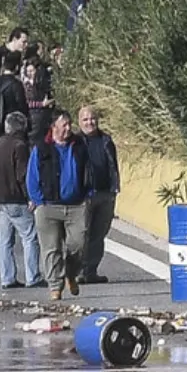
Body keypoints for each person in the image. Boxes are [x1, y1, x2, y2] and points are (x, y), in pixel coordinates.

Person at [26, 110, 93, 300]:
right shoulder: (42, 148)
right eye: (64, 125)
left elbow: (89, 171)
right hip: (48, 206)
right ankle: (55, 285)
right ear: (53, 127)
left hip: (76, 205)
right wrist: (39, 201)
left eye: (69, 124)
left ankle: (71, 273)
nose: (68, 128)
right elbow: (32, 177)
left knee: (79, 245)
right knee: (51, 249)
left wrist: (88, 194)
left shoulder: (79, 145)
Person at [0, 112, 41, 289]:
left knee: (4, 239)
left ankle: (7, 277)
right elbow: (22, 175)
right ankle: (33, 276)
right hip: (16, 199)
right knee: (30, 236)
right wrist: (30, 197)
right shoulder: (20, 146)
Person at [76, 105, 120, 284]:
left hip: (105, 193)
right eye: (85, 119)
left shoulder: (106, 140)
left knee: (98, 235)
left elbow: (113, 165)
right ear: (79, 122)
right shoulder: (75, 142)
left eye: (92, 118)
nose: (90, 123)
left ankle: (91, 271)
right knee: (81, 234)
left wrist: (114, 188)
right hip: (84, 195)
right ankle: (78, 271)